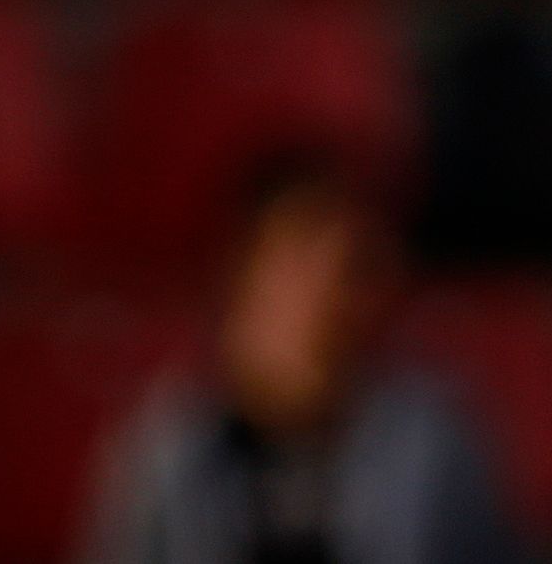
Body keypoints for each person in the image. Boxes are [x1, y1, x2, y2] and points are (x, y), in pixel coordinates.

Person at [74, 151, 523, 564]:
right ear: (241, 282)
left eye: (351, 270)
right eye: (297, 265)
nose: (323, 303)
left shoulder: (431, 444)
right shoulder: (171, 449)